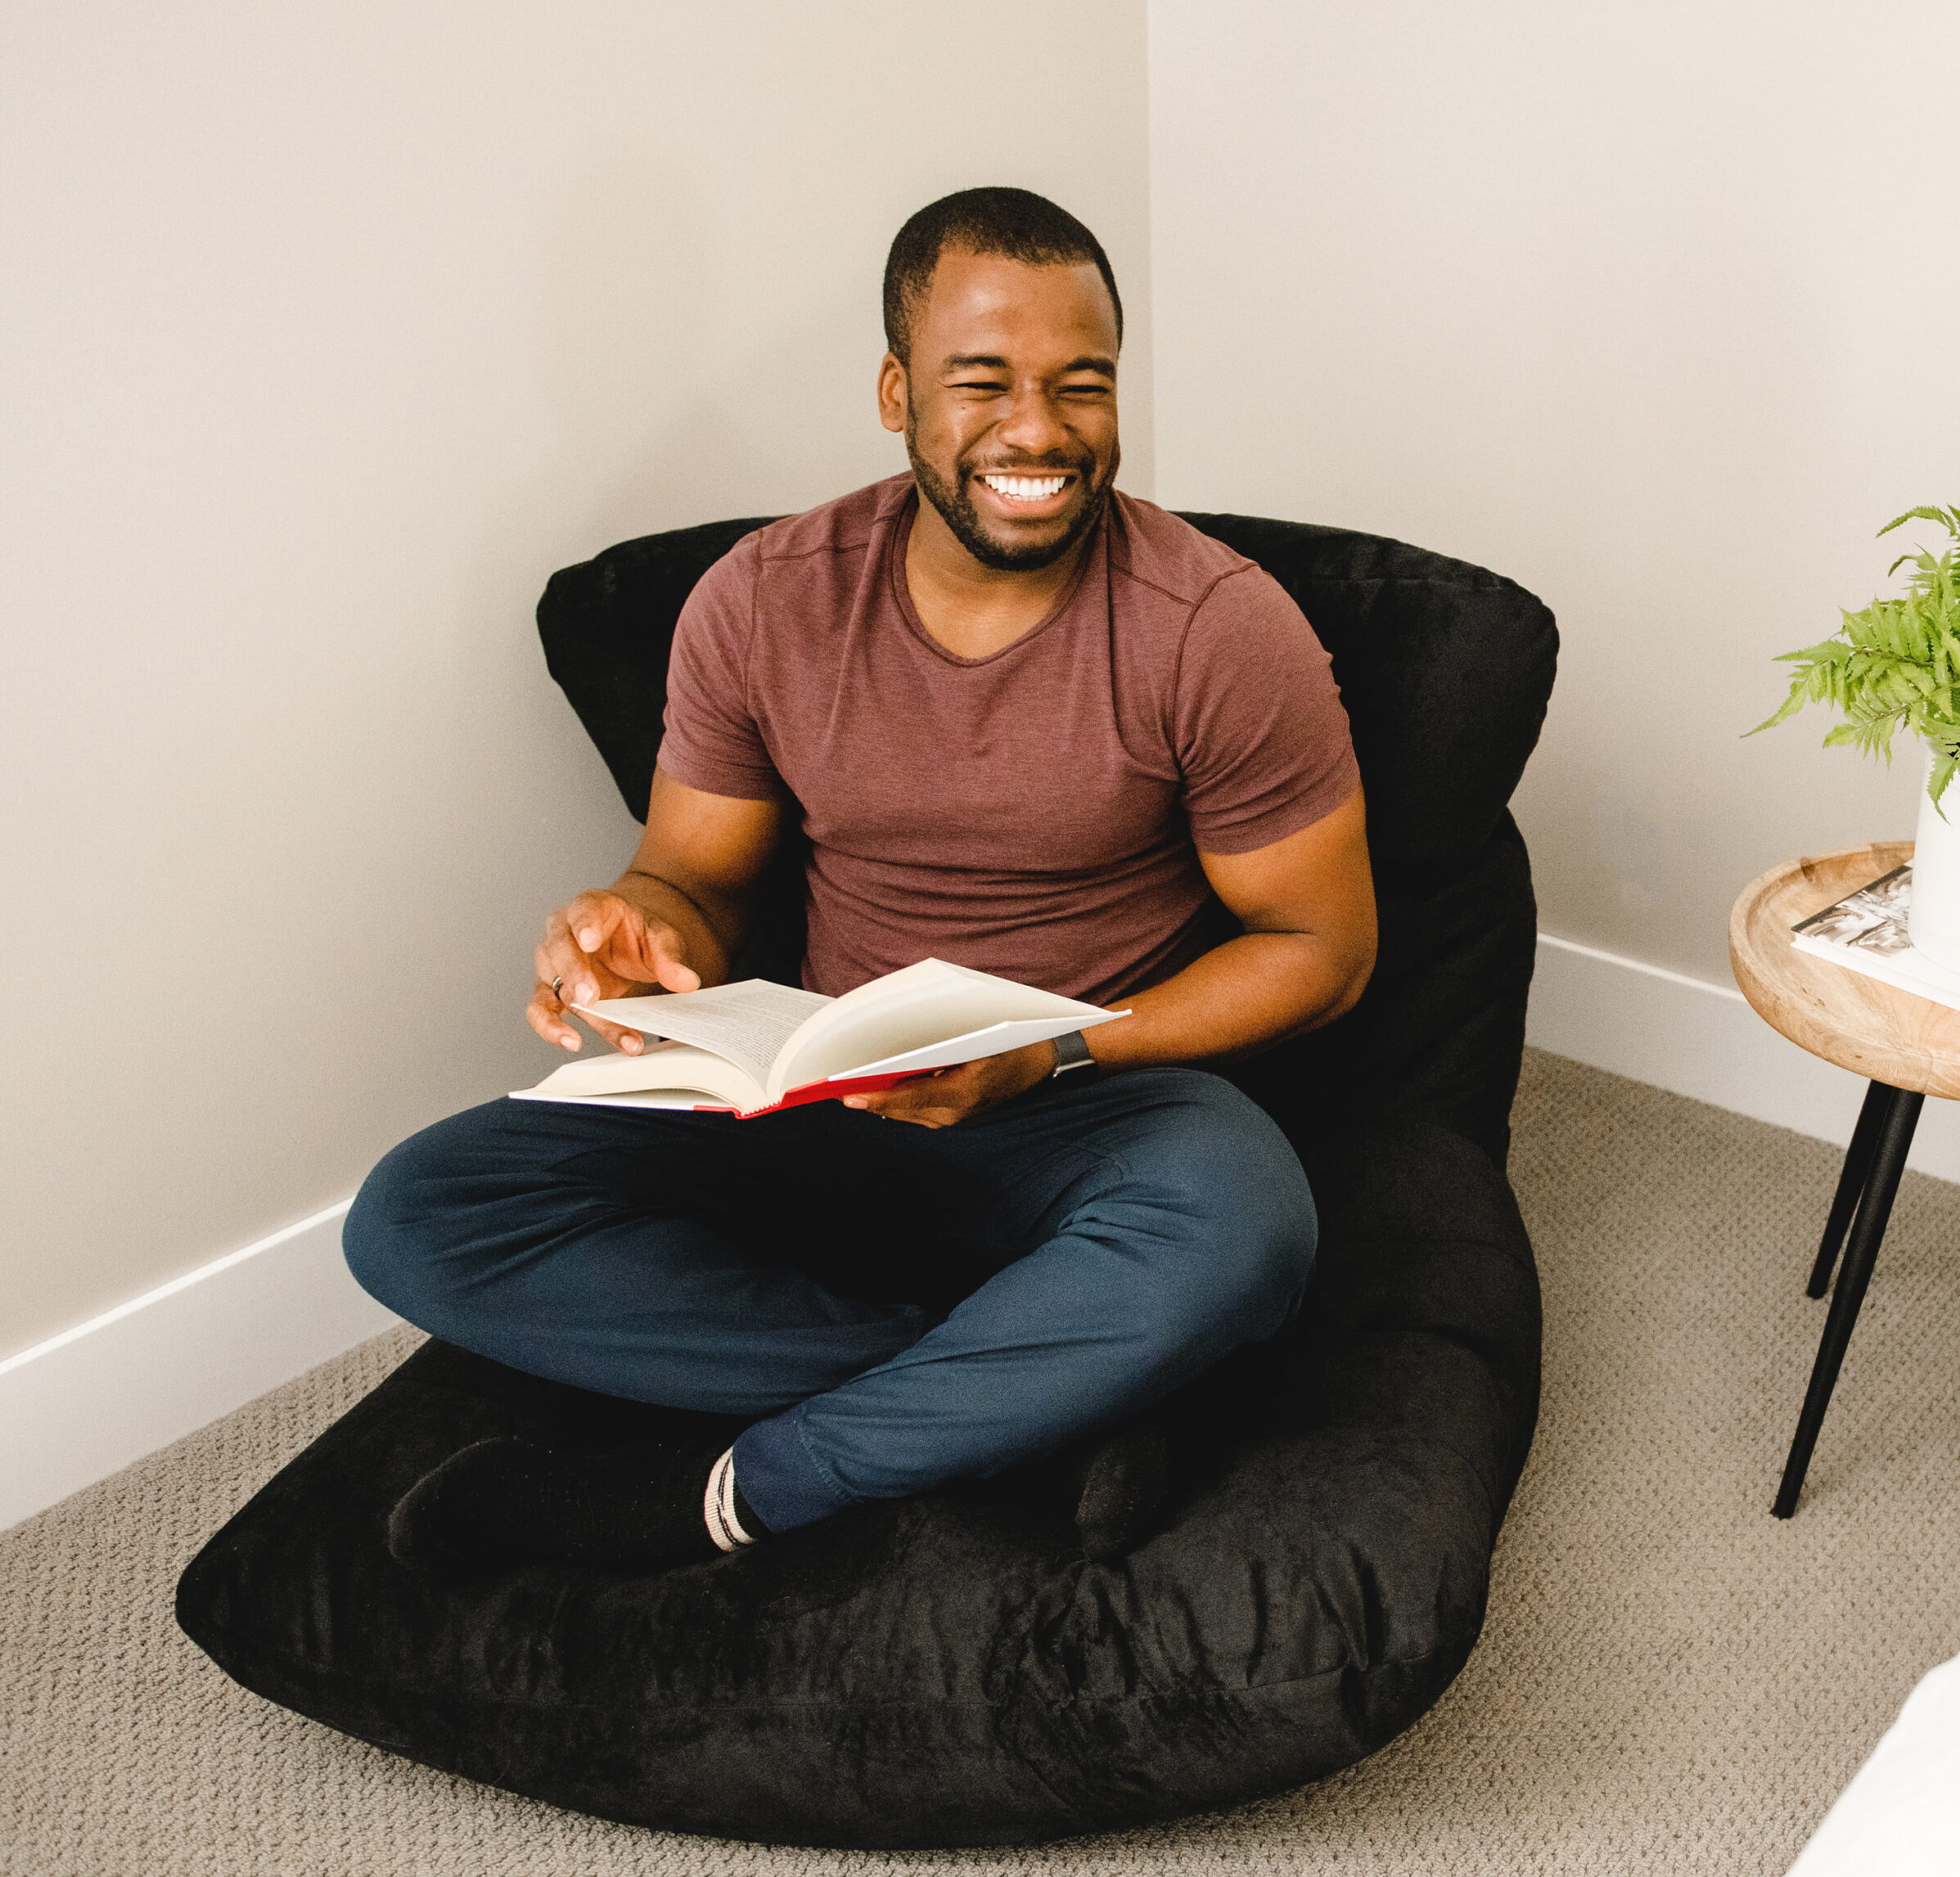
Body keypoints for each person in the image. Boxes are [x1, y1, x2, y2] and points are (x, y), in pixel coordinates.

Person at [345, 186, 1374, 1574]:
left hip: (1088, 1100)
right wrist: (636, 924)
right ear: (898, 394)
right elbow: (692, 877)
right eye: (983, 382)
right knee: (419, 1211)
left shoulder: (1216, 628)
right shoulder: (765, 598)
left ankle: (744, 1490)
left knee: (1245, 1223)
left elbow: (1321, 950)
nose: (1037, 430)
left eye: (1081, 384)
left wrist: (1048, 1052)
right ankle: (1030, 1387)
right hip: (826, 1092)